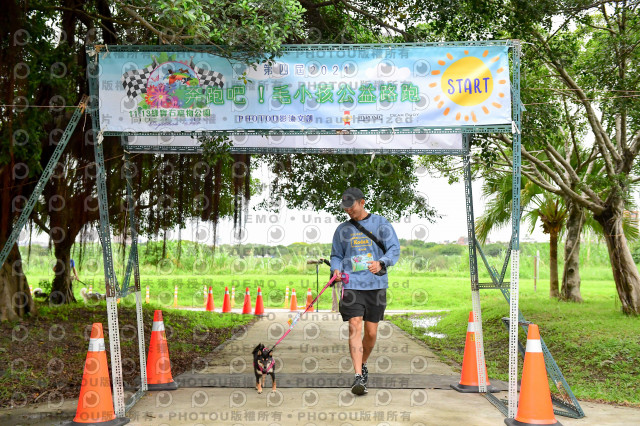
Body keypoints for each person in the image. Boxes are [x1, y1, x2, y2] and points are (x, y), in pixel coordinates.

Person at [330, 187, 400, 395]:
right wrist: (336, 268)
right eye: (345, 208)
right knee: (355, 326)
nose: (348, 211)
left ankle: (364, 364)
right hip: (352, 285)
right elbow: (336, 255)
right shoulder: (342, 230)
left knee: (371, 333)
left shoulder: (381, 224)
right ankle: (358, 376)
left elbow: (394, 249)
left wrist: (381, 262)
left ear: (362, 202)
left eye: (351, 207)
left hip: (376, 286)